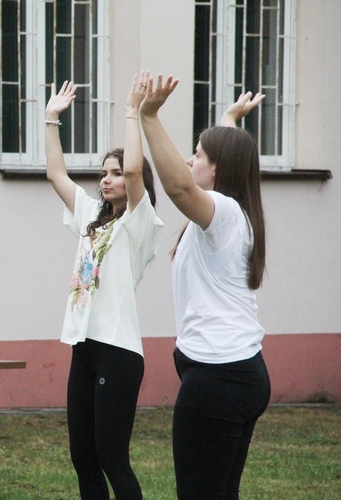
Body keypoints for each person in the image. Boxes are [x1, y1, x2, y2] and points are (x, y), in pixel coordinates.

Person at [138, 74, 271, 498]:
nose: (190, 162)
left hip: (219, 381)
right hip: (240, 373)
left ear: (218, 168)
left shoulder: (224, 214)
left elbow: (178, 185)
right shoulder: (235, 213)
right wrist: (230, 119)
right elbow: (214, 164)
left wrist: (149, 116)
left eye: (197, 155)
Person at [45, 74, 163, 499]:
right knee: (83, 456)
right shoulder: (92, 216)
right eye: (103, 172)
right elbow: (56, 174)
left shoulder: (140, 222)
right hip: (85, 347)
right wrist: (50, 119)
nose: (108, 178)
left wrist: (132, 111)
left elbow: (135, 168)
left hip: (118, 351)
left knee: (112, 456)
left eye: (115, 173)